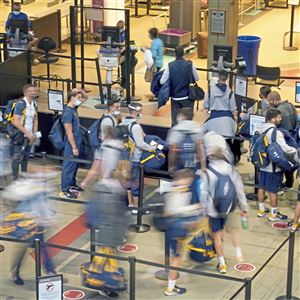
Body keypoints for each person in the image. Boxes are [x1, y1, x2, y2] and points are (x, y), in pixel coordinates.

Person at [201, 138, 248, 274]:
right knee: (232, 230)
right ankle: (239, 254)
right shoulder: (230, 169)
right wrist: (244, 207)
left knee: (217, 235)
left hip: (214, 209)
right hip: (230, 206)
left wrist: (204, 210)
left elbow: (204, 193)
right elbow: (239, 189)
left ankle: (222, 264)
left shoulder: (207, 172)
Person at [164, 169, 203, 296]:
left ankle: (170, 279)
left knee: (173, 255)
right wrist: (194, 208)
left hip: (169, 227)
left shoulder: (170, 187)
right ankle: (171, 288)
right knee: (177, 258)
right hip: (177, 228)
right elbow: (173, 210)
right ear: (186, 178)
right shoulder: (181, 191)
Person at [257, 108, 297, 221]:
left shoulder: (259, 129)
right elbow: (285, 149)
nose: (280, 119)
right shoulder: (275, 132)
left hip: (262, 164)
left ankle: (261, 210)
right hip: (273, 167)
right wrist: (296, 151)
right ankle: (274, 214)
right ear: (273, 119)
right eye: (279, 117)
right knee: (273, 190)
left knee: (261, 187)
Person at [121, 103, 156, 213]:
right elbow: (140, 144)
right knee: (135, 183)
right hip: (135, 158)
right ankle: (137, 208)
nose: (142, 113)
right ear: (135, 113)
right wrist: (151, 148)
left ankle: (130, 204)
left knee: (128, 182)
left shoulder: (124, 122)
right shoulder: (135, 126)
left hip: (126, 157)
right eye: (140, 111)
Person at [80, 100, 122, 190]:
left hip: (104, 148)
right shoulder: (108, 120)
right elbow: (107, 136)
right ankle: (84, 184)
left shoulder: (111, 118)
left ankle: (89, 183)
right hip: (103, 149)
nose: (119, 109)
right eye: (117, 107)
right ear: (111, 107)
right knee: (95, 168)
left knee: (99, 169)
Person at [203, 69, 238, 162]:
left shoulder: (210, 90)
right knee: (228, 145)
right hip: (227, 122)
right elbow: (233, 108)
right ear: (227, 78)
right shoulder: (230, 92)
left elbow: (205, 105)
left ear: (218, 77)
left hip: (213, 120)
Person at [160, 46, 199, 127]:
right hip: (188, 96)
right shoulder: (189, 64)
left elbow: (162, 81)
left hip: (175, 98)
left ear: (175, 54)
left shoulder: (170, 65)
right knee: (188, 121)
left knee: (175, 122)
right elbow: (197, 78)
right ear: (184, 53)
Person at [59, 89, 88, 199]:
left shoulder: (74, 108)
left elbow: (86, 98)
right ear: (72, 97)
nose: (80, 100)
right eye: (78, 97)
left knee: (75, 165)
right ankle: (65, 189)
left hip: (78, 142)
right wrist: (74, 147)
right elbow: (68, 131)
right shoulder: (67, 112)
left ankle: (71, 184)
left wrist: (80, 91)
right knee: (69, 166)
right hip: (71, 144)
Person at [268, 91, 298, 192]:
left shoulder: (278, 112)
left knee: (280, 163)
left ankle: (279, 186)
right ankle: (289, 185)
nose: (269, 104)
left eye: (269, 101)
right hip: (292, 138)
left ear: (273, 100)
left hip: (282, 139)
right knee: (290, 163)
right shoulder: (291, 106)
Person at [10, 84, 39, 180]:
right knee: (18, 157)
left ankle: (23, 177)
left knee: (26, 157)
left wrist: (34, 134)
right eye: (31, 91)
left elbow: (35, 119)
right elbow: (15, 121)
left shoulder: (34, 104)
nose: (33, 92)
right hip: (20, 135)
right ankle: (15, 179)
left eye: (34, 91)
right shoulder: (21, 104)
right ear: (25, 93)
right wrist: (27, 133)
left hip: (30, 136)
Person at [166, 107, 205, 173]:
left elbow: (173, 151)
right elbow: (200, 150)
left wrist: (171, 167)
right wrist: (203, 167)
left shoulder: (175, 130)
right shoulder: (198, 130)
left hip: (180, 165)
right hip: (194, 165)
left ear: (182, 116)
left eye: (179, 115)